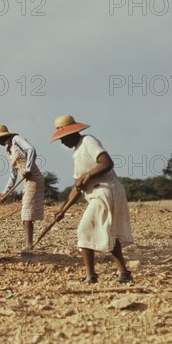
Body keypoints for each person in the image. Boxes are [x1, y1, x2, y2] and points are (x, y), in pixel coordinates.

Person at [51, 115, 133, 284]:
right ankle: (124, 273)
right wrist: (63, 209)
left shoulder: (88, 141)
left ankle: (91, 276)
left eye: (63, 138)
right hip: (102, 192)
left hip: (105, 191)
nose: (62, 142)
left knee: (84, 230)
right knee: (110, 234)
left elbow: (107, 163)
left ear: (72, 133)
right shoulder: (77, 152)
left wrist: (88, 175)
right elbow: (78, 187)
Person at [0, 125, 44, 251]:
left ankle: (29, 245)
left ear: (4, 135)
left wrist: (28, 169)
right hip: (26, 181)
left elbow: (31, 150)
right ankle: (29, 243)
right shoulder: (9, 150)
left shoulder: (17, 139)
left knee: (26, 212)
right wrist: (5, 192)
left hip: (33, 178)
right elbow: (13, 174)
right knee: (26, 212)